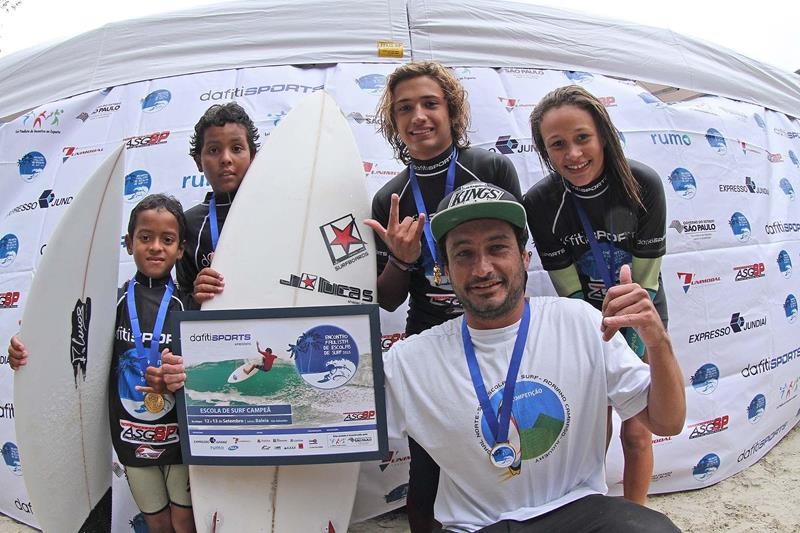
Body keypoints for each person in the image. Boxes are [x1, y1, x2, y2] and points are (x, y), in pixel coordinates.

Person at [381, 181, 684, 532]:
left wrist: (657, 341)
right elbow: (332, 421)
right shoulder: (411, 359)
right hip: (478, 527)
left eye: (498, 248)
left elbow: (667, 422)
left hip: (578, 513)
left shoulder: (580, 322)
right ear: (445, 271)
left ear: (524, 260)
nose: (482, 269)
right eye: (464, 254)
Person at [364, 60, 522, 532]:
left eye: (430, 103)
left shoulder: (491, 168)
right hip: (430, 335)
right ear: (393, 124)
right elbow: (388, 300)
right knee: (428, 466)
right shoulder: (389, 198)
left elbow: (517, 263)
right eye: (404, 108)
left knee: (507, 449)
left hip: (497, 332)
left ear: (451, 110)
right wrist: (402, 259)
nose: (419, 117)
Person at [8, 194, 197, 533]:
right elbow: (69, 349)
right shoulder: (114, 302)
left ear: (180, 249)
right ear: (128, 243)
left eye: (167, 240)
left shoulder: (189, 306)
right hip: (132, 439)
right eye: (145, 237)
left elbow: (202, 371)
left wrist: (180, 375)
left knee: (184, 521)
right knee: (157, 523)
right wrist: (25, 353)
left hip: (178, 440)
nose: (156, 247)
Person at [521, 85, 669, 504]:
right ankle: (589, 513)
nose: (573, 154)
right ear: (545, 151)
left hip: (641, 313)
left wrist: (630, 340)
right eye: (558, 145)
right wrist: (597, 338)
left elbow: (647, 281)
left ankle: (635, 517)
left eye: (582, 138)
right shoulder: (540, 201)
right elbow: (569, 292)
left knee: (639, 430)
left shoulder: (644, 184)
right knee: (591, 431)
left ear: (602, 133)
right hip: (588, 320)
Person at [178, 102, 260, 302]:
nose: (226, 159)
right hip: (218, 333)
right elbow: (181, 300)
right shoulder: (188, 224)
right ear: (199, 162)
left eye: (237, 148)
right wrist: (195, 295)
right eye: (214, 150)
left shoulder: (280, 211)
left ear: (253, 157)